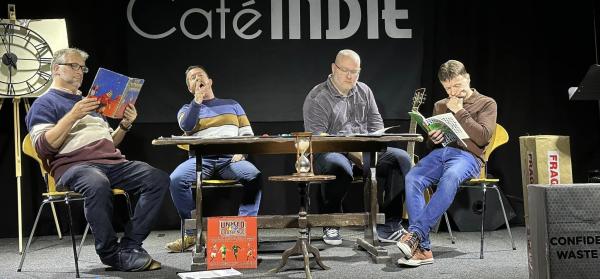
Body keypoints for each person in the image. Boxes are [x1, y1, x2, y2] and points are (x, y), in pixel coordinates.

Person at [25, 48, 169, 272]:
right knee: (96, 182)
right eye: (74, 66)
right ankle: (110, 253)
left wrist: (124, 125)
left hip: (111, 163)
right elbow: (43, 147)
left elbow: (109, 143)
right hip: (74, 166)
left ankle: (130, 246)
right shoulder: (44, 103)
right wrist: (73, 115)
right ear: (56, 69)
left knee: (157, 178)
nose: (80, 71)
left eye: (82, 68)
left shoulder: (91, 103)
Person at [303, 49, 412, 245]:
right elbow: (318, 139)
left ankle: (390, 225)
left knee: (401, 158)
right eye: (345, 70)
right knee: (339, 166)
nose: (350, 76)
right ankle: (331, 221)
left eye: (355, 71)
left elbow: (377, 126)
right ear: (333, 68)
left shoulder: (364, 91)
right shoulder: (317, 97)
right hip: (330, 151)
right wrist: (352, 152)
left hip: (365, 149)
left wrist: (368, 147)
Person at [396, 60, 497, 267]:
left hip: (469, 157)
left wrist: (460, 111)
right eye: (448, 88)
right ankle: (423, 248)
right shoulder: (440, 105)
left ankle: (416, 235)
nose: (454, 92)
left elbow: (483, 138)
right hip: (442, 153)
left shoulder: (487, 103)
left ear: (467, 78)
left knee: (450, 177)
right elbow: (434, 146)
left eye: (458, 85)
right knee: (413, 176)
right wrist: (434, 138)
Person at [165, 65, 262, 252]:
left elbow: (247, 135)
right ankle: (192, 233)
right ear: (190, 89)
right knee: (176, 179)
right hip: (202, 159)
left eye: (201, 75)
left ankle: (243, 231)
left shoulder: (233, 104)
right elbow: (186, 125)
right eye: (192, 78)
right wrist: (197, 102)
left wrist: (242, 152)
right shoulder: (186, 109)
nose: (197, 78)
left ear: (210, 81)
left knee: (254, 176)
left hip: (230, 160)